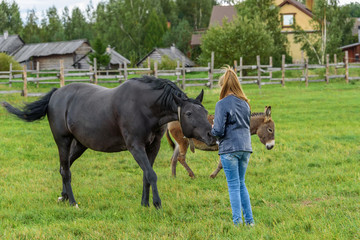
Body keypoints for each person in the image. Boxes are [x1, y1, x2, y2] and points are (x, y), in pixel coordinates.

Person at [211, 66, 254, 226]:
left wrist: (213, 128)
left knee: (234, 186)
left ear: (223, 86)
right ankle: (249, 222)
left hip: (229, 149)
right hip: (245, 148)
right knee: (241, 184)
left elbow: (218, 130)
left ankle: (237, 223)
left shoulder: (222, 104)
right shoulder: (245, 103)